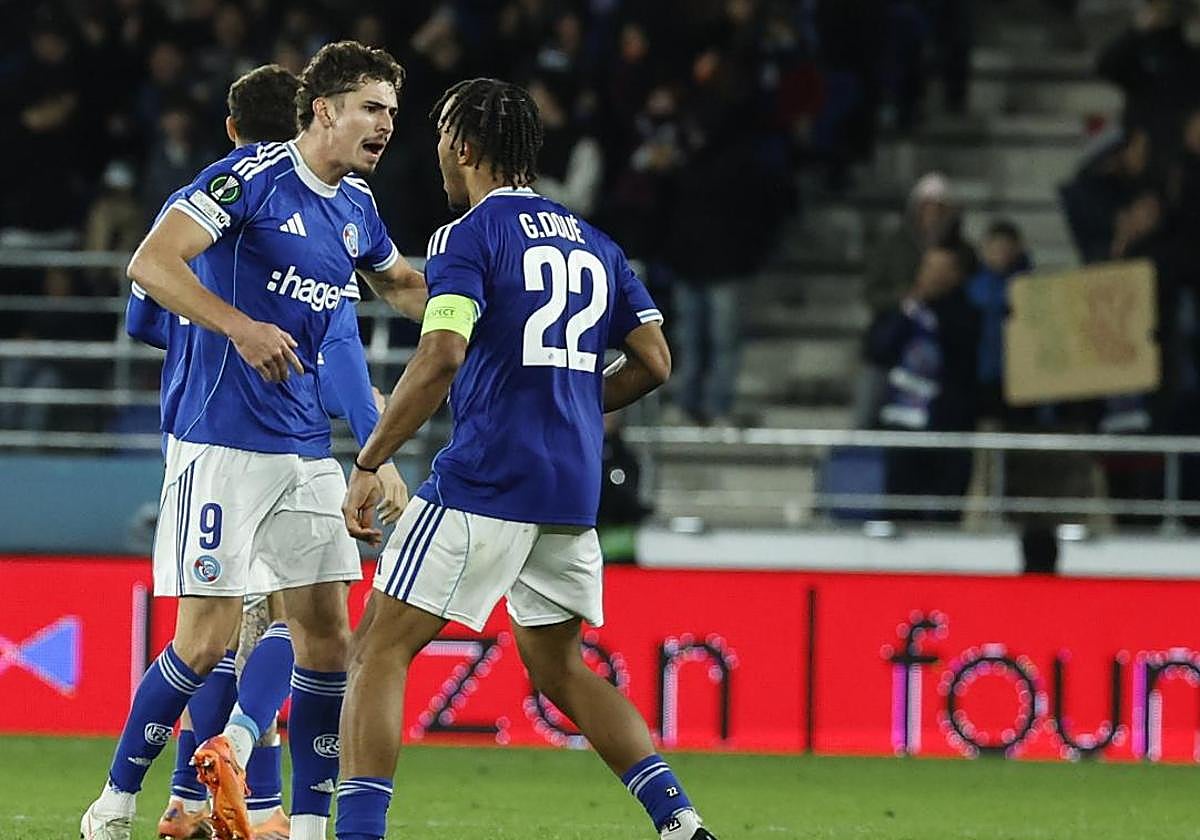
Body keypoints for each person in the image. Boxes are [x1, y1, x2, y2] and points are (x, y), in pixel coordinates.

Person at [332, 77, 717, 840]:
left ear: (466, 148)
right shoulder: (597, 244)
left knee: (378, 650)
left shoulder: (466, 237)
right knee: (561, 669)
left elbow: (441, 354)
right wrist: (571, 401)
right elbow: (657, 360)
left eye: (442, 134)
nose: (436, 148)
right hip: (568, 493)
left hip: (485, 479)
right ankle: (679, 822)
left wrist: (372, 458)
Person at [80, 41, 426, 840]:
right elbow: (150, 265)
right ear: (326, 109)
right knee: (203, 642)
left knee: (328, 636)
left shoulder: (356, 207)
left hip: (304, 450)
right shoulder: (250, 179)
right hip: (222, 444)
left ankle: (300, 826)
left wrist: (478, 311)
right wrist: (238, 329)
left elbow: (401, 283)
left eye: (394, 115)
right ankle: (116, 801)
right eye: (373, 109)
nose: (385, 127)